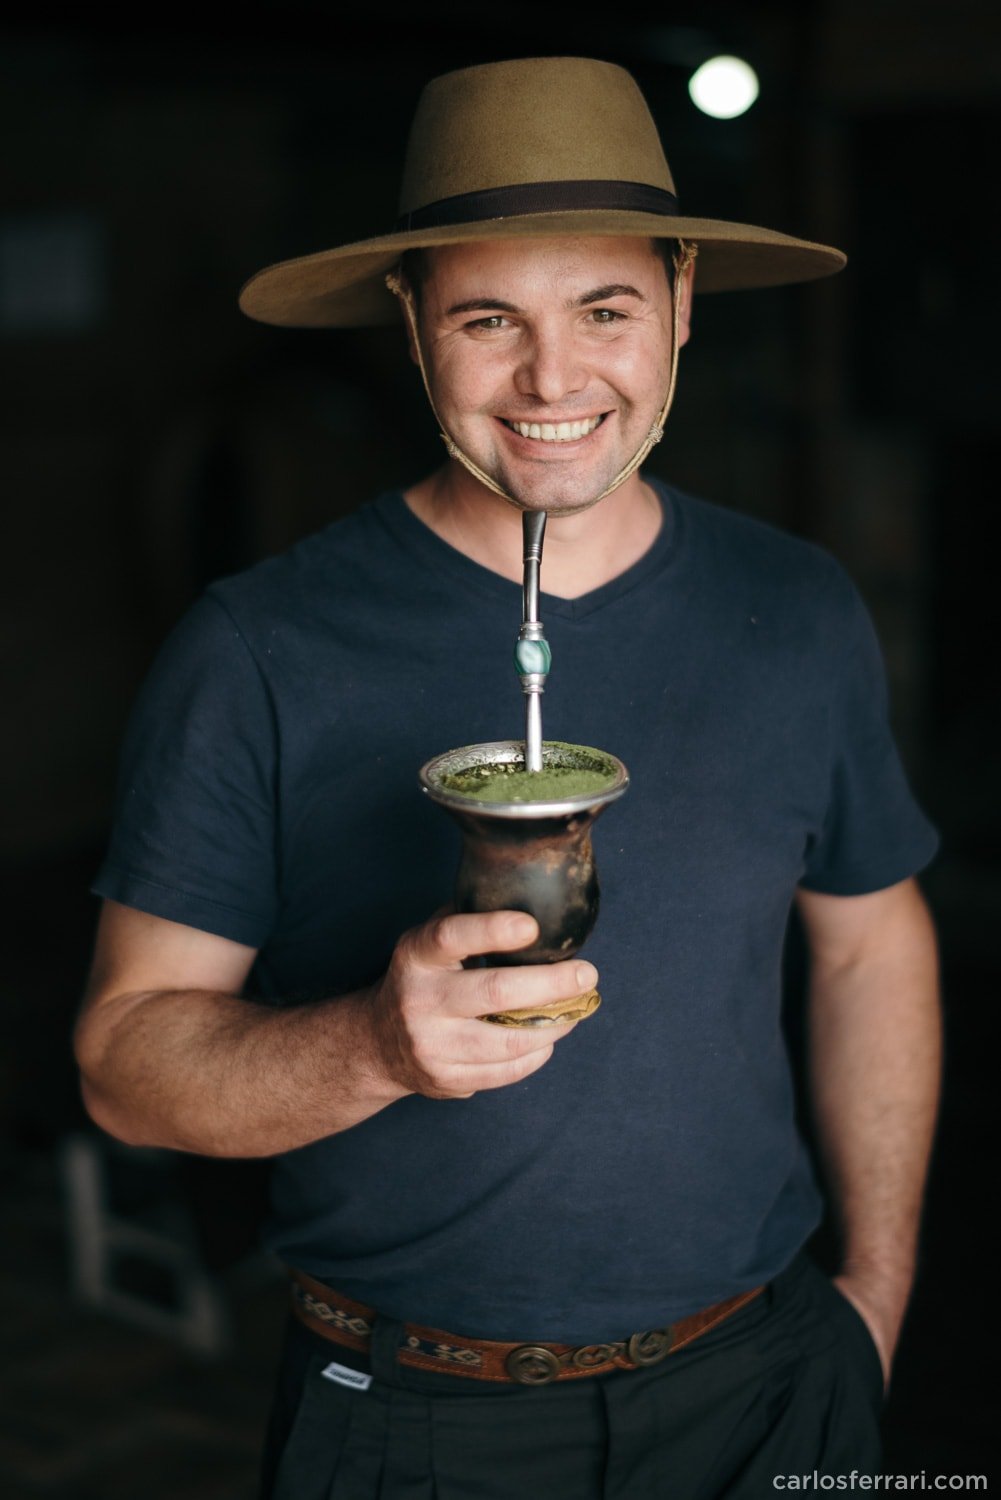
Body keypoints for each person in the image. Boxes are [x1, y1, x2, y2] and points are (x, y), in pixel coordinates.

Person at [75, 56, 941, 1499]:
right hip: (418, 1421)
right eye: (489, 318)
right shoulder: (259, 645)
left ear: (676, 300)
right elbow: (122, 1069)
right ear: (411, 325)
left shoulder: (795, 608)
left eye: (602, 309)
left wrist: (873, 1303)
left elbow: (868, 942)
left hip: (771, 1382)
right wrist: (374, 1048)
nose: (552, 380)